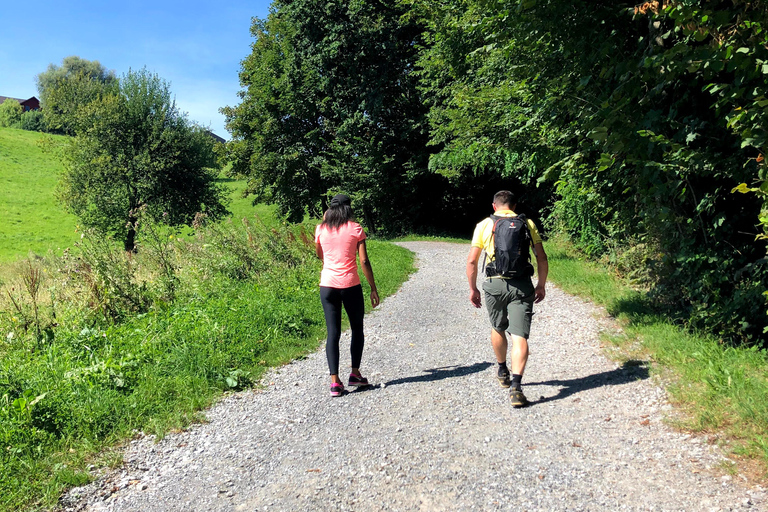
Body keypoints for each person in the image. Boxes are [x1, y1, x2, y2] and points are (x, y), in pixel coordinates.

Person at [466, 190, 548, 407]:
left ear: (494, 206)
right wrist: (541, 285)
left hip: (494, 284)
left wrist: (473, 289)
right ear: (514, 205)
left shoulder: (484, 225)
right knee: (520, 335)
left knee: (498, 326)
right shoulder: (527, 223)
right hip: (521, 284)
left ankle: (502, 369)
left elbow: (472, 262)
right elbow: (541, 256)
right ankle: (516, 387)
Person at [315, 194, 380, 397]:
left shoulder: (321, 229)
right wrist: (373, 287)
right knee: (356, 328)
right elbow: (364, 261)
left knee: (332, 332)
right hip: (350, 284)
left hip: (327, 285)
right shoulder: (356, 228)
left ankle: (335, 383)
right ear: (348, 209)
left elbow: (321, 255)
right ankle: (355, 374)